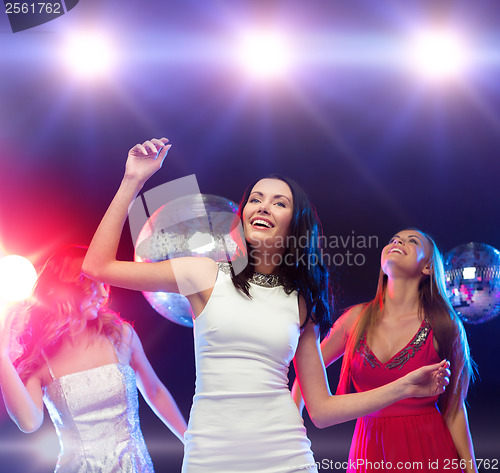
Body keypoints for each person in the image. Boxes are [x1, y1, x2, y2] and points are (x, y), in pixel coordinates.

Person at [82, 138, 450, 473]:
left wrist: (403, 387)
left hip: (287, 458)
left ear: (294, 224)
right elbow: (98, 267)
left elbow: (320, 410)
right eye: (256, 199)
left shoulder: (301, 300)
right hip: (211, 457)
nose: (264, 206)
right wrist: (133, 181)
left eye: (279, 202)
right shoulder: (204, 274)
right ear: (242, 215)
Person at [292, 229, 477, 473]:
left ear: (428, 268)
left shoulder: (445, 325)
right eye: (393, 240)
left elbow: (454, 408)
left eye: (412, 241)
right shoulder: (354, 320)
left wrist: (471, 470)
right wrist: (291, 431)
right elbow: (305, 376)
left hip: (430, 451)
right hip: (368, 454)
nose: (398, 241)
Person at [0, 245, 187, 473]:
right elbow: (29, 423)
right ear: (67, 289)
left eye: (103, 283)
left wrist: (190, 441)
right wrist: (2, 356)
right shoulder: (40, 361)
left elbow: (154, 391)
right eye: (92, 284)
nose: (104, 293)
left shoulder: (120, 335)